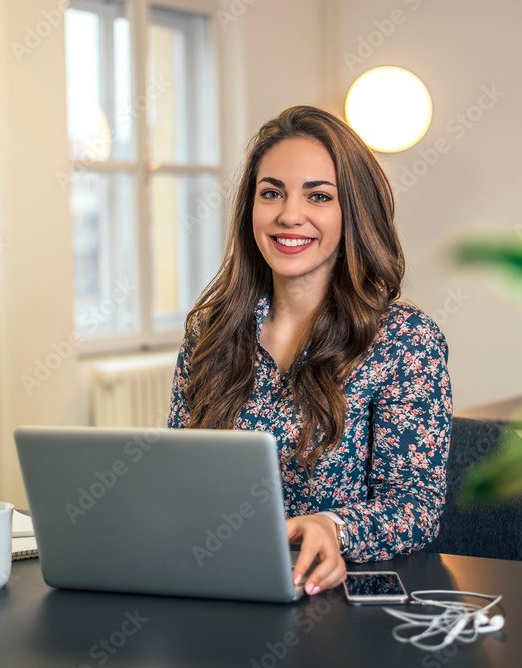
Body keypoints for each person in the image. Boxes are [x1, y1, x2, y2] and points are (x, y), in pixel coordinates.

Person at [168, 105, 452, 597]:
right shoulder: (210, 331)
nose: (289, 215)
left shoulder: (405, 339)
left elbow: (415, 508)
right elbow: (177, 475)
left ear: (353, 214)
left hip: (339, 598)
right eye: (271, 193)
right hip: (217, 585)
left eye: (317, 196)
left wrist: (332, 526)